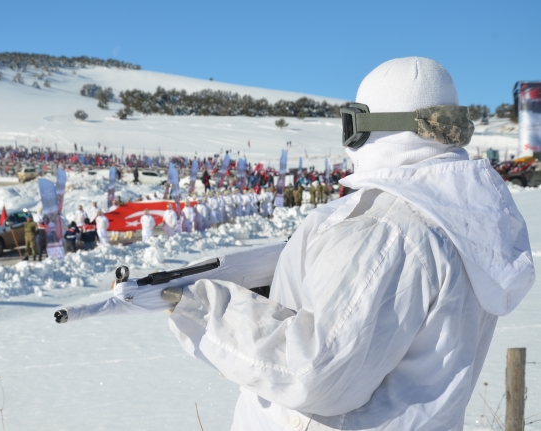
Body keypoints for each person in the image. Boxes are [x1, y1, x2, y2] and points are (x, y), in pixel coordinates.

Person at [164, 57, 535, 430]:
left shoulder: (388, 230)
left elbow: (313, 372)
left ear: (368, 127)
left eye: (351, 122)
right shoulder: (461, 215)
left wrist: (205, 311)